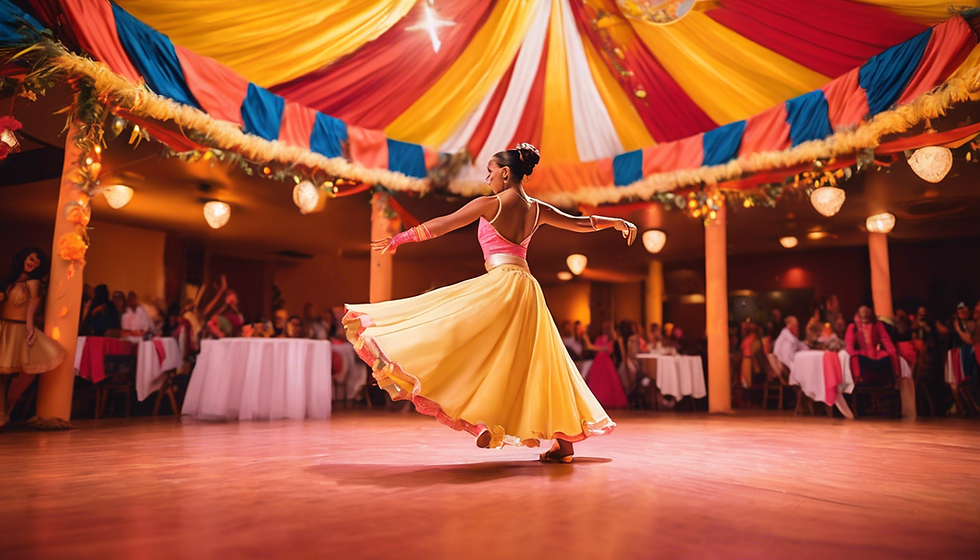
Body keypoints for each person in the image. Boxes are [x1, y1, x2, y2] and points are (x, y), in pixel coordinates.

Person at [343, 143, 636, 463]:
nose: (488, 178)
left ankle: (484, 419)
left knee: (477, 348)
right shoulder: (538, 209)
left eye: (491, 171)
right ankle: (561, 444)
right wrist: (616, 222)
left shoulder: (490, 204)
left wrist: (402, 238)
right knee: (535, 363)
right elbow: (580, 223)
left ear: (506, 173)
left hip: (500, 284)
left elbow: (445, 223)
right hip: (527, 288)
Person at [0, 247, 66, 428]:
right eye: (31, 258)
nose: (33, 263)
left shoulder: (34, 283)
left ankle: (5, 413)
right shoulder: (10, 280)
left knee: (12, 374)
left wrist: (30, 327)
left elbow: (33, 306)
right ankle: (2, 414)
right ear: (24, 258)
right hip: (4, 329)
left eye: (37, 262)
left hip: (18, 330)